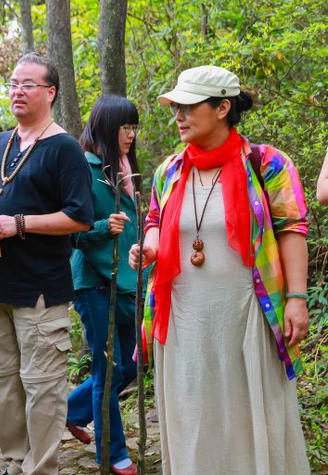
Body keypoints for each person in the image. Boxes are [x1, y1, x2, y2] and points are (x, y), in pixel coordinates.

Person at [129, 65, 310, 474]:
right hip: (183, 317)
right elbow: (156, 220)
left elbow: (292, 227)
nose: (178, 115)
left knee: (248, 409)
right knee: (193, 412)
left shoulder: (268, 163)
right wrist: (149, 247)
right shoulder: (169, 171)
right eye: (176, 106)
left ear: (223, 107)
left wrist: (297, 298)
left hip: (245, 312)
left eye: (189, 106)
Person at [0, 52, 93, 475]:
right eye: (13, 83)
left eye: (27, 84)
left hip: (39, 290)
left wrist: (18, 224)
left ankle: (41, 468)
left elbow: (80, 216)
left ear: (50, 92)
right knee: (4, 383)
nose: (17, 91)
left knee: (43, 388)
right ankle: (17, 461)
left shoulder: (65, 149)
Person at [65, 96, 141, 475]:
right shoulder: (84, 166)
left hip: (127, 281)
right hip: (94, 281)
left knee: (130, 363)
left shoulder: (123, 169)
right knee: (108, 368)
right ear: (107, 127)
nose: (131, 134)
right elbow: (70, 227)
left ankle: (71, 411)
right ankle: (112, 454)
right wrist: (99, 228)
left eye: (134, 127)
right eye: (125, 127)